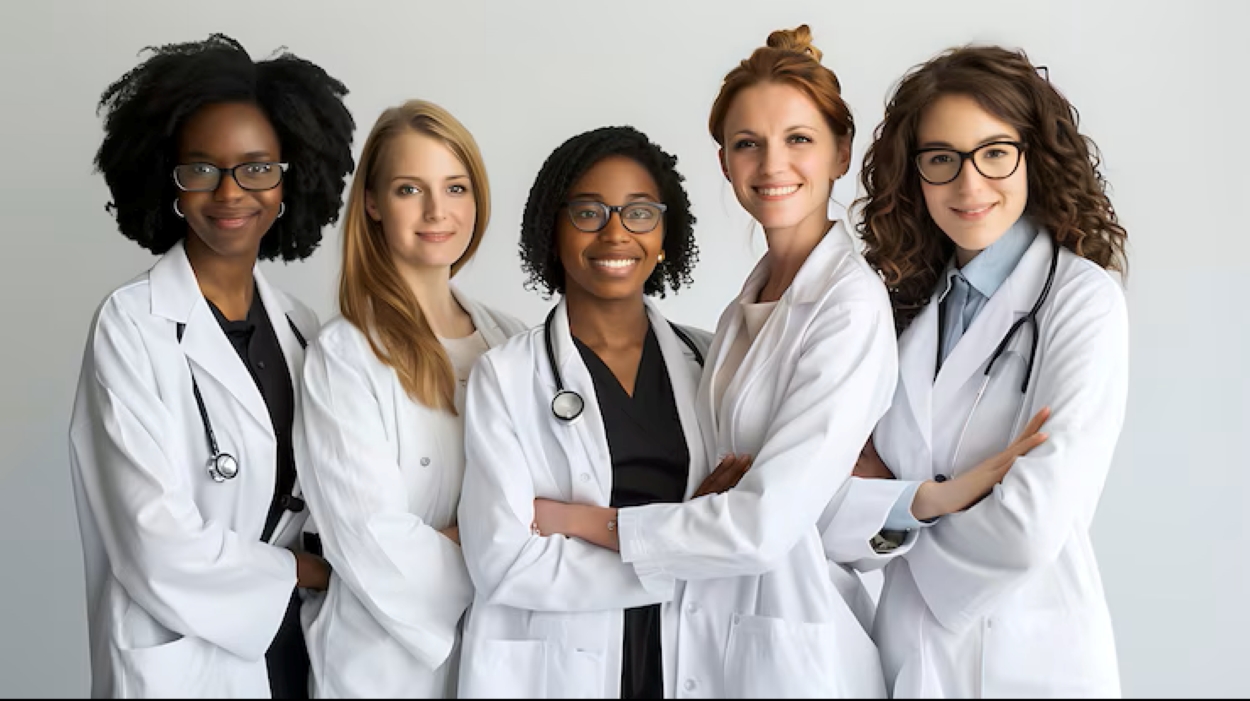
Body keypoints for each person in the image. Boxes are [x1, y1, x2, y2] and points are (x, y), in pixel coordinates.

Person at [488, 26, 899, 697]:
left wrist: (588, 521)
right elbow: (716, 486)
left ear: (841, 151)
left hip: (799, 637)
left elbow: (763, 523)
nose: (772, 165)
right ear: (724, 162)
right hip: (713, 631)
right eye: (748, 144)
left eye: (799, 139)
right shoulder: (743, 310)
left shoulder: (848, 304)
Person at [67, 33, 355, 698]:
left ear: (291, 180)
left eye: (256, 168)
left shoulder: (302, 329)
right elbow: (153, 540)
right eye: (202, 168)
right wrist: (310, 571)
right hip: (187, 659)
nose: (230, 192)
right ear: (168, 179)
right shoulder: (132, 325)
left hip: (298, 650)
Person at [856, 45, 1130, 697]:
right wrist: (913, 503)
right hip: (906, 656)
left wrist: (903, 510)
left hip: (1029, 658)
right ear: (914, 173)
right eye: (941, 158)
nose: (969, 184)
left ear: (1034, 154)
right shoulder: (903, 309)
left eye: (994, 152)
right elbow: (832, 502)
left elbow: (1028, 527)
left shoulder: (1081, 300)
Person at [456, 125, 744, 698]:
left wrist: (576, 525)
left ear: (664, 234)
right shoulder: (507, 376)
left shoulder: (714, 360)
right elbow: (503, 560)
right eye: (589, 212)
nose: (616, 232)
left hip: (691, 647)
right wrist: (684, 551)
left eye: (639, 213)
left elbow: (753, 522)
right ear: (553, 230)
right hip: (563, 658)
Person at [294, 99, 527, 698]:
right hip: (385, 669)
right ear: (372, 203)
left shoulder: (514, 341)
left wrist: (465, 536)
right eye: (408, 189)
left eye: (455, 187)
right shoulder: (345, 354)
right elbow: (375, 546)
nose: (436, 211)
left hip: (509, 654)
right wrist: (510, 543)